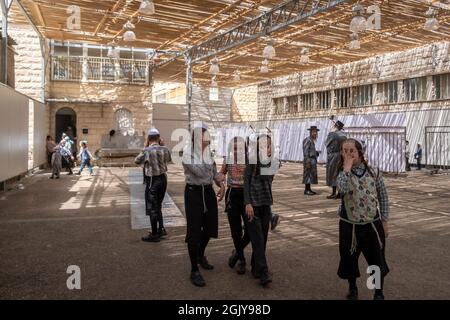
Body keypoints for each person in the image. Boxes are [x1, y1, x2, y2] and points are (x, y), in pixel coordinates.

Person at [337, 138, 389, 300]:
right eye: (345, 151)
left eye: (352, 150)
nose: (348, 154)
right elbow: (342, 189)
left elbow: (383, 197)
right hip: (349, 226)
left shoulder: (374, 172)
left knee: (376, 260)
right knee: (349, 259)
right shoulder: (341, 174)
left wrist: (385, 221)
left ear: (360, 152)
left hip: (371, 225)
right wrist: (346, 168)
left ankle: (378, 292)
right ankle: (353, 288)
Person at [182, 123, 225, 287]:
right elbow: (199, 172)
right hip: (193, 193)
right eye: (205, 136)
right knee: (194, 231)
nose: (208, 139)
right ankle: (194, 270)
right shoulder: (187, 154)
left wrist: (221, 183)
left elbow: (213, 173)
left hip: (207, 192)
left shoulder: (208, 153)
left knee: (210, 227)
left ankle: (200, 254)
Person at [244, 133, 277, 287]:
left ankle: (255, 267)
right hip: (253, 204)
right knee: (257, 239)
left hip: (265, 203)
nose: (266, 148)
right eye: (263, 145)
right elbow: (246, 182)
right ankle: (263, 271)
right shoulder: (251, 161)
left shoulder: (272, 162)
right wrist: (247, 203)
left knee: (262, 238)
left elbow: (267, 178)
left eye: (268, 145)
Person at [135, 128, 172, 242]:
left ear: (149, 138)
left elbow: (136, 160)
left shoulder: (146, 150)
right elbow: (168, 160)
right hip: (163, 179)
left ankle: (154, 234)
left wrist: (146, 149)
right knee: (158, 205)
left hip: (153, 181)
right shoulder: (165, 149)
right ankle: (161, 229)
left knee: (152, 207)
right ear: (159, 138)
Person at [220, 136, 250, 275]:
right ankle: (242, 259)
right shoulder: (227, 160)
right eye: (235, 148)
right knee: (236, 230)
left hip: (247, 197)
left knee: (250, 230)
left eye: (240, 148)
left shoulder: (250, 160)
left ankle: (236, 253)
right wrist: (220, 183)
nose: (237, 151)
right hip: (232, 196)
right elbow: (221, 174)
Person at [326, 120, 347, 199]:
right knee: (339, 173)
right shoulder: (344, 136)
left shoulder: (332, 134)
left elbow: (327, 143)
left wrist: (330, 132)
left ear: (335, 126)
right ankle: (339, 193)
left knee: (333, 174)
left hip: (333, 157)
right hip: (342, 156)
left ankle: (333, 193)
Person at [303, 126, 320, 195]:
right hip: (309, 160)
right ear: (310, 132)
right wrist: (307, 161)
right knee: (308, 175)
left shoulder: (311, 140)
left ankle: (309, 189)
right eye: (314, 132)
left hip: (312, 160)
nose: (315, 133)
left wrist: (316, 152)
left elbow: (310, 150)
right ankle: (306, 190)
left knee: (310, 175)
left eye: (316, 132)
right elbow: (306, 151)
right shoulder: (308, 140)